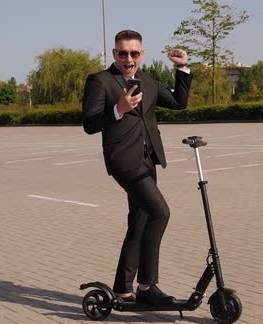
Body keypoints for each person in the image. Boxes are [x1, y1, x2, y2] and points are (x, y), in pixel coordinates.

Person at [82, 30, 191, 305]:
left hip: (148, 159)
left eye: (134, 53)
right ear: (114, 54)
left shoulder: (148, 81)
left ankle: (122, 289)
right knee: (160, 212)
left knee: (140, 221)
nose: (128, 58)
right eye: (122, 53)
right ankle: (146, 285)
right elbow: (89, 124)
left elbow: (179, 102)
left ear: (141, 54)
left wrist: (182, 68)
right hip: (123, 161)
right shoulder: (100, 81)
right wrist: (117, 109)